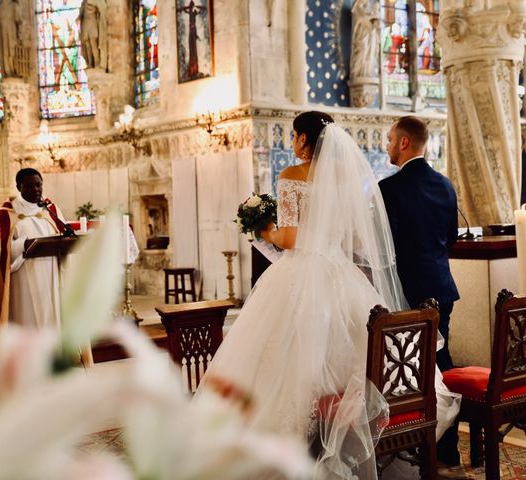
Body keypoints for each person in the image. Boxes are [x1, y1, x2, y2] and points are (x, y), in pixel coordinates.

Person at [195, 111, 408, 477]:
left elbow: (290, 239)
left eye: (295, 136)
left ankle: (289, 450)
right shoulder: (346, 179)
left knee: (277, 354)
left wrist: (265, 231)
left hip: (302, 270)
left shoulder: (291, 176)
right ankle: (340, 439)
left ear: (306, 141)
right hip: (341, 270)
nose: (291, 143)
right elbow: (353, 238)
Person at [379, 116, 466, 478]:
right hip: (442, 289)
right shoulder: (445, 184)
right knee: (436, 359)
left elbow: (385, 249)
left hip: (408, 292)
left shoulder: (390, 188)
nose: (386, 146)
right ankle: (439, 448)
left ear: (402, 143)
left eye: (388, 140)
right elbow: (453, 236)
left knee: (415, 369)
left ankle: (423, 447)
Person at [0, 168, 68, 355]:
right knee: (28, 319)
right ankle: (27, 359)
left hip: (51, 273)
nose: (36, 190)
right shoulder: (7, 213)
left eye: (39, 185)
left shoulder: (50, 209)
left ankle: (54, 356)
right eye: (29, 186)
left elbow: (63, 236)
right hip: (24, 276)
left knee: (52, 318)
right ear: (19, 187)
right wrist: (23, 244)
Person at [78, 0, 108, 70]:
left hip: (91, 26)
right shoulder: (85, 3)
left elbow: (102, 11)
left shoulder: (94, 2)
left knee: (93, 45)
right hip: (88, 26)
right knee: (88, 45)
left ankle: (96, 63)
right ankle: (91, 64)